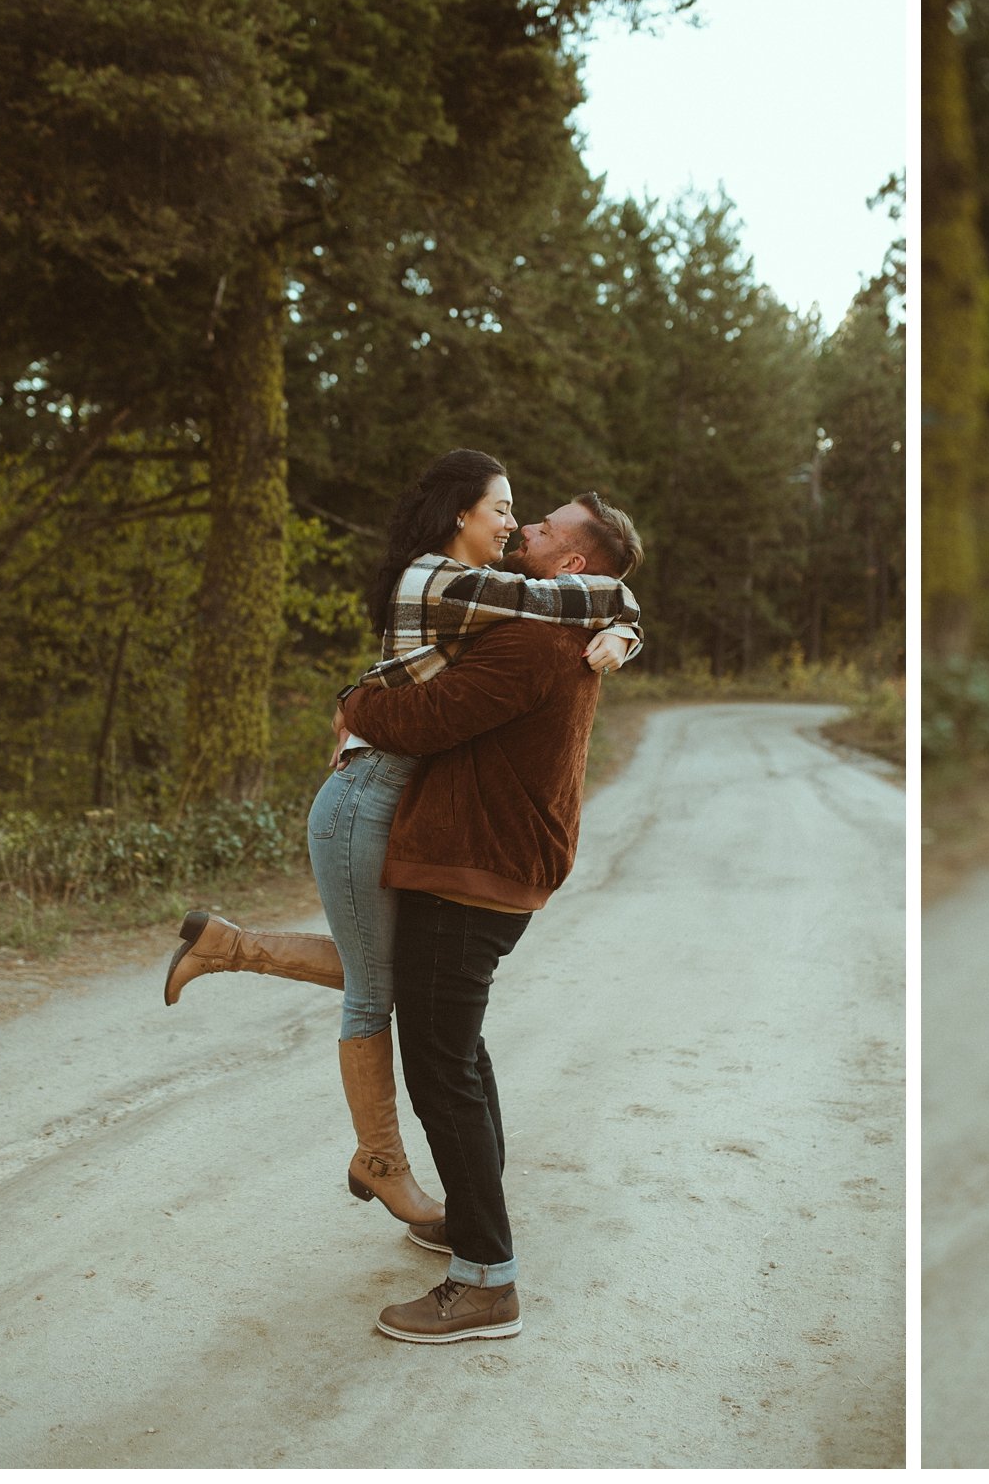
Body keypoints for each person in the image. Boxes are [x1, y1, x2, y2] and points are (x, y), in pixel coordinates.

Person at [164, 450, 641, 1237]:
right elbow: (548, 608)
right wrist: (355, 700)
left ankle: (227, 946)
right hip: (367, 790)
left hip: (390, 790)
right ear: (460, 513)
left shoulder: (495, 602)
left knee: (382, 973)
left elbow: (567, 601)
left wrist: (622, 625)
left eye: (534, 520)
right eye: (504, 509)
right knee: (374, 989)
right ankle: (378, 1160)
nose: (518, 524)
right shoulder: (443, 578)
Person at [335, 492, 643, 1343]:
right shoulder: (555, 623)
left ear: (573, 564)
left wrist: (354, 704)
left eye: (543, 528)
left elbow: (431, 719)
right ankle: (472, 1221)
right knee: (456, 1049)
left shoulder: (532, 637)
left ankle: (485, 1278)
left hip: (476, 866)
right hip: (486, 860)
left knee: (440, 1065)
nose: (524, 530)